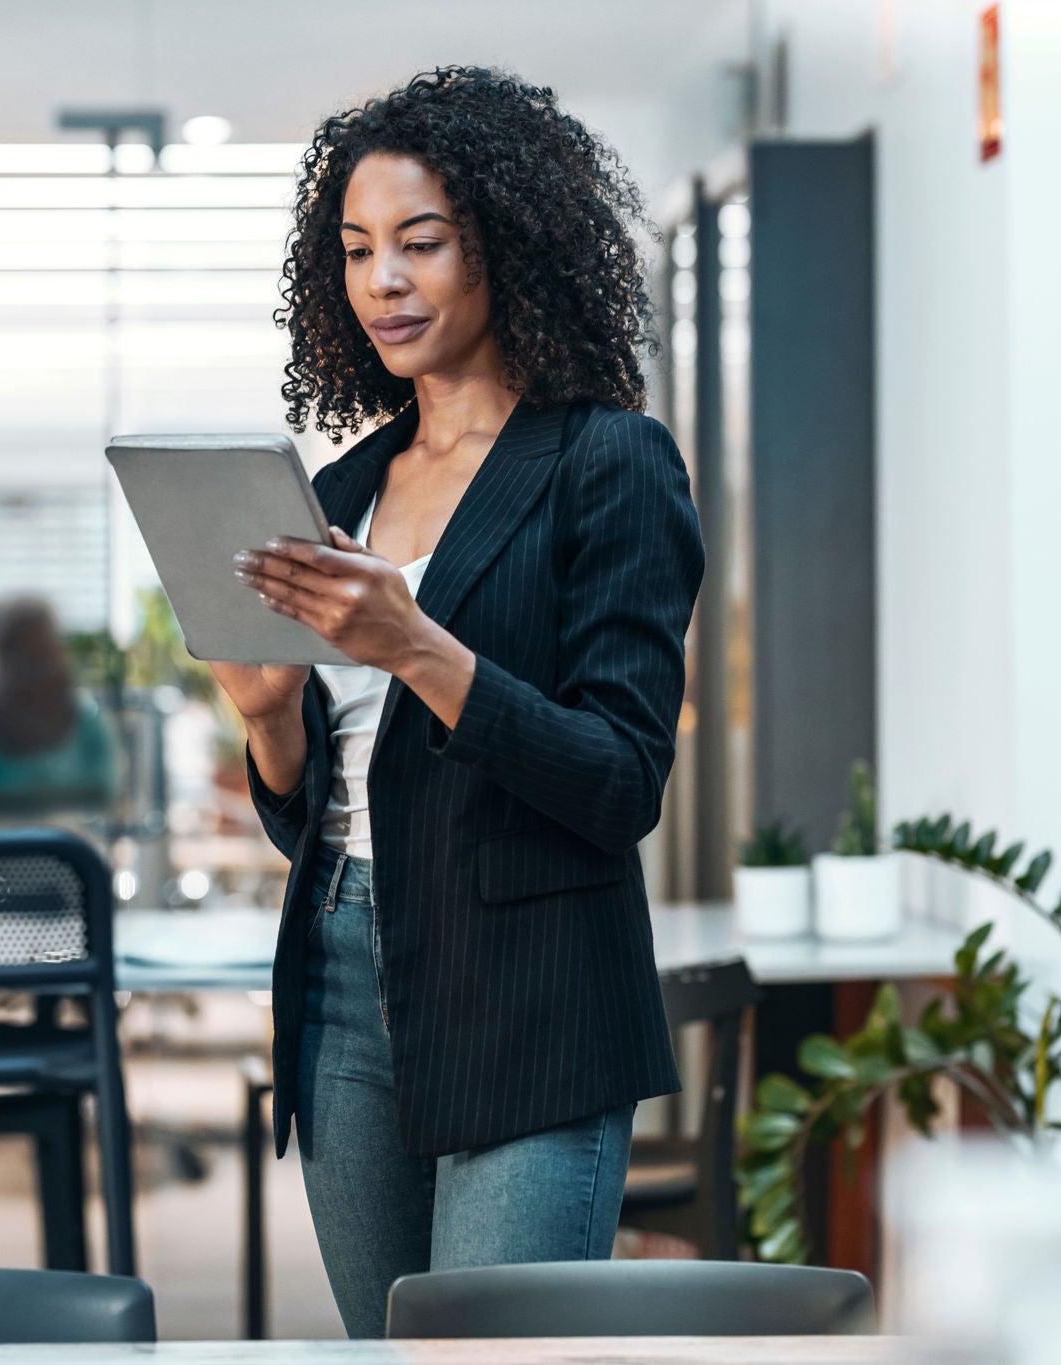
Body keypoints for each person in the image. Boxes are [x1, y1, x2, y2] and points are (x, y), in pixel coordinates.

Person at [211, 66, 706, 1337]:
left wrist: (416, 647)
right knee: (388, 1351)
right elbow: (317, 808)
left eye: (420, 245)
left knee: (489, 1359)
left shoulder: (607, 461)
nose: (383, 281)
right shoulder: (338, 487)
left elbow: (618, 781)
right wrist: (269, 719)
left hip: (530, 988)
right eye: (357, 249)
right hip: (338, 965)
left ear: (508, 246)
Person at [0, 596, 117, 827]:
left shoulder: (87, 715)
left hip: (66, 854)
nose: (31, 667)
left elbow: (105, 794)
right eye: (21, 652)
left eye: (39, 654)